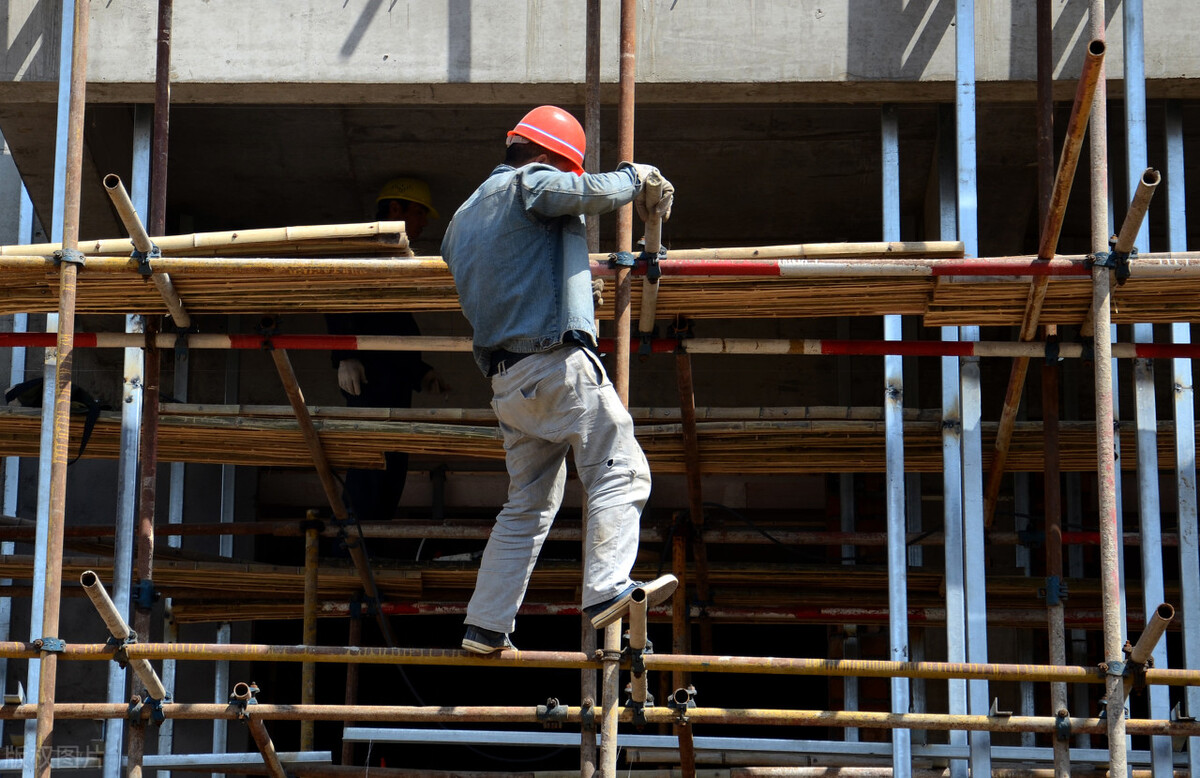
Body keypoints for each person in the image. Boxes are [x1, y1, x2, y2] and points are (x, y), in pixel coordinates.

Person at [440, 105, 678, 654]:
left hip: (508, 384)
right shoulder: (530, 182)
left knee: (526, 505)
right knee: (621, 468)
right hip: (554, 365)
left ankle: (485, 625)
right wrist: (635, 177)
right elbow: (586, 192)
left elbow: (521, 263)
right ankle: (606, 591)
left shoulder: (462, 218)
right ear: (549, 157)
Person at [326, 177, 445, 524]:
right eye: (419, 213)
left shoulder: (394, 259)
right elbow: (335, 297)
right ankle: (348, 555)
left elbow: (396, 326)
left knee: (393, 468)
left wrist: (421, 372)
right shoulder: (362, 247)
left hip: (391, 380)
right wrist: (344, 356)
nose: (424, 222)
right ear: (395, 209)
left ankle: (370, 553)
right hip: (367, 376)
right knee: (369, 466)